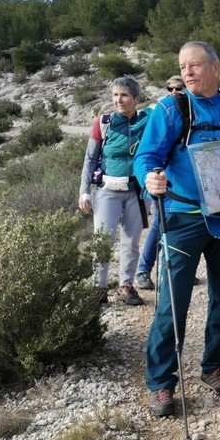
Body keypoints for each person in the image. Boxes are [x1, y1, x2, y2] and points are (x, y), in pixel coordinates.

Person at [134, 41, 220, 418]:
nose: (188, 71)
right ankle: (161, 383)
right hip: (183, 216)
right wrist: (149, 179)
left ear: (215, 68)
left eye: (195, 65)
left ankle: (214, 367)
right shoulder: (171, 108)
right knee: (173, 304)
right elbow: (146, 157)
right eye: (183, 66)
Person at [78, 76, 150, 306]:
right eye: (115, 95)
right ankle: (99, 288)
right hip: (107, 190)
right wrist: (84, 191)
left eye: (125, 95)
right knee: (103, 240)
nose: (119, 100)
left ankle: (126, 286)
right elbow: (90, 159)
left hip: (137, 191)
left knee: (131, 241)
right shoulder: (103, 122)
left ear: (136, 99)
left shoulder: (147, 121)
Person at [135, 75, 184, 291]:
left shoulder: (187, 111)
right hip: (159, 181)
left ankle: (176, 267)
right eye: (170, 88)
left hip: (180, 185)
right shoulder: (158, 111)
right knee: (159, 225)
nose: (174, 91)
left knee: (179, 227)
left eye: (179, 88)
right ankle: (144, 270)